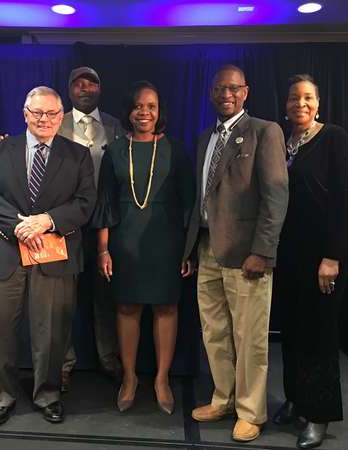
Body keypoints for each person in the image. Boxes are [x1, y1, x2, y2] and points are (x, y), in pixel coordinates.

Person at [0, 86, 96, 426]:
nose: (44, 119)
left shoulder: (78, 156)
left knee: (51, 332)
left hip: (54, 256)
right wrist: (19, 226)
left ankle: (48, 394)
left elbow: (86, 203)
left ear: (62, 116)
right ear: (25, 114)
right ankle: (2, 397)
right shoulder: (0, 151)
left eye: (52, 113)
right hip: (5, 252)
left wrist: (48, 220)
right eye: (37, 113)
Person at [184, 65, 288, 442]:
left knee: (250, 337)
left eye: (233, 88)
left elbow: (276, 198)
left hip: (248, 256)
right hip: (208, 248)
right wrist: (191, 248)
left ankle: (251, 411)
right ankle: (223, 398)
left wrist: (263, 251)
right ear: (211, 94)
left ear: (245, 92)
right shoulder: (204, 138)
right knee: (214, 332)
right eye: (219, 89)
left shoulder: (265, 131)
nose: (225, 94)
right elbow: (202, 200)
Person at [93, 80, 195, 415]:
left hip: (167, 243)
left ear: (160, 111)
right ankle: (130, 378)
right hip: (125, 243)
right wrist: (104, 249)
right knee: (126, 308)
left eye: (151, 106)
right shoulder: (115, 151)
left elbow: (188, 204)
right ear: (129, 111)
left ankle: (162, 379)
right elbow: (105, 203)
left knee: (166, 307)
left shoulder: (176, 150)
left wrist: (188, 250)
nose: (144, 112)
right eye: (138, 106)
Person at [273, 74, 348, 449]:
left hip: (323, 256)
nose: (300, 104)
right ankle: (296, 398)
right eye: (294, 98)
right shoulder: (283, 141)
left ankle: (320, 414)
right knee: (291, 331)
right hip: (289, 254)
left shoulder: (334, 138)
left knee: (320, 335)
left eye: (308, 98)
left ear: (319, 103)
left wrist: (333, 256)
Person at [58, 66, 125, 391]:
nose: (85, 88)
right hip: (65, 227)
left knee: (106, 298)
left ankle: (110, 360)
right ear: (69, 90)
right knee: (63, 300)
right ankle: (63, 364)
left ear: (100, 89)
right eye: (78, 83)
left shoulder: (115, 127)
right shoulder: (54, 123)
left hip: (105, 227)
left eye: (92, 82)